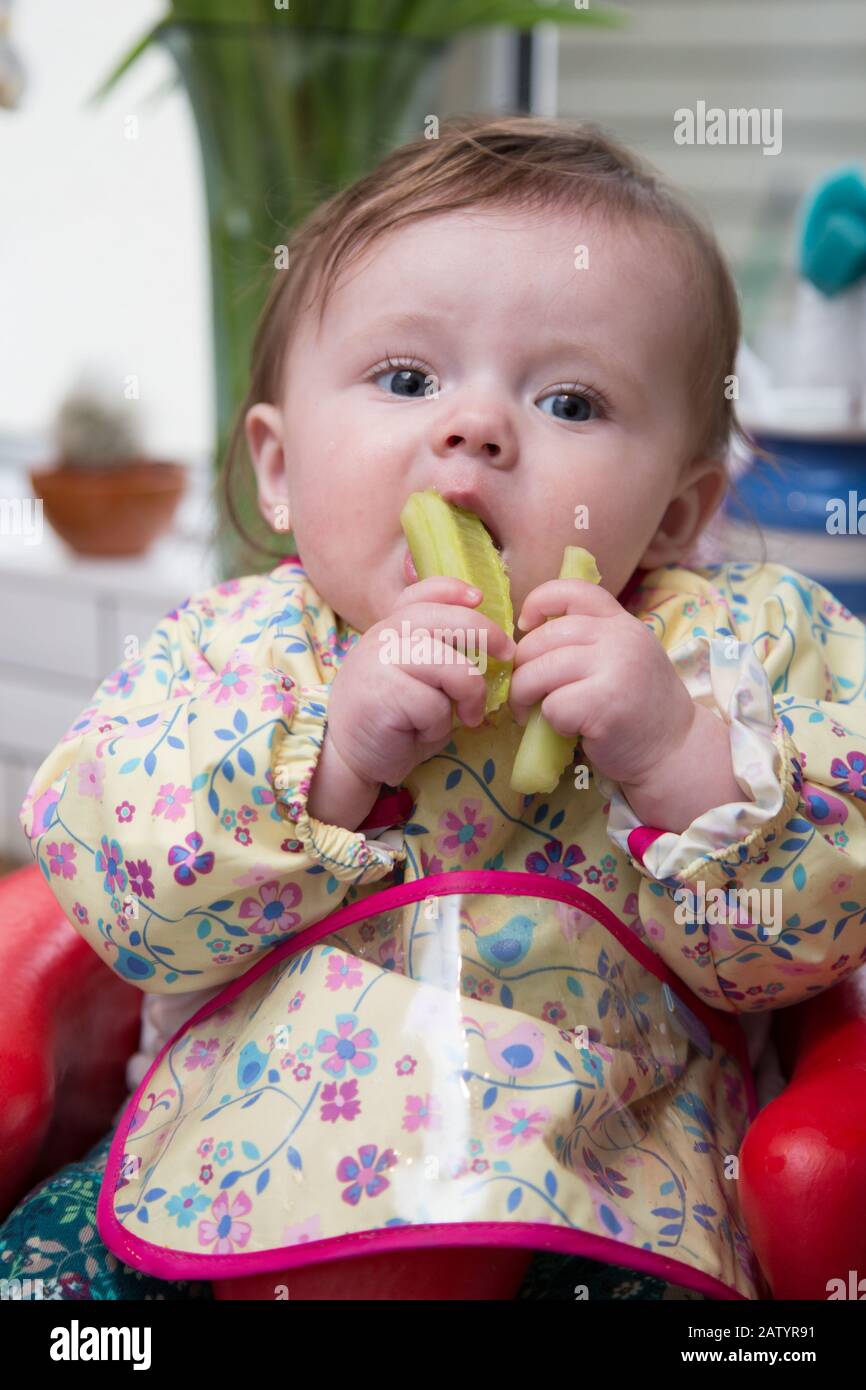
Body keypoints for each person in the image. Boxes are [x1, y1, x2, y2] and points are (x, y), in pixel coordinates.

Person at [8, 115, 866, 1302]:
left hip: (606, 1186)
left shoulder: (733, 646)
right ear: (278, 463)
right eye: (404, 379)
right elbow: (118, 890)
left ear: (675, 512)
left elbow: (813, 938)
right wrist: (329, 760)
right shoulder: (239, 649)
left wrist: (681, 757)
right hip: (229, 1174)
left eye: (569, 401)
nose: (471, 428)